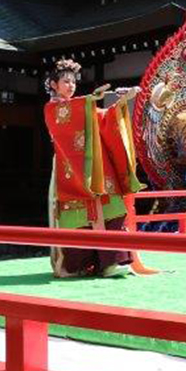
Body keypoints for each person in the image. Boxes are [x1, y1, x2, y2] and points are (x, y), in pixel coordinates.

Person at [44, 59, 155, 278]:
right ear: (54, 84)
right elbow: (72, 118)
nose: (71, 85)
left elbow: (100, 119)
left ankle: (110, 262)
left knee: (112, 206)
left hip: (95, 166)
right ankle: (78, 264)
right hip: (69, 168)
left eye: (73, 81)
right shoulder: (52, 108)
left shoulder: (81, 106)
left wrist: (121, 103)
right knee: (77, 216)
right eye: (65, 81)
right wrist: (90, 100)